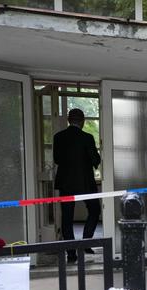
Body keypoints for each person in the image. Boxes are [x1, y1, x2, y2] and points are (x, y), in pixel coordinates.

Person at [53, 108, 101, 263]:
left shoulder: (58, 137)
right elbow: (95, 160)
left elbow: (57, 159)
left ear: (68, 120)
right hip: (85, 182)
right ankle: (86, 242)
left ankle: (71, 253)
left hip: (66, 183)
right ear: (83, 121)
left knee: (67, 217)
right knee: (94, 210)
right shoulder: (87, 138)